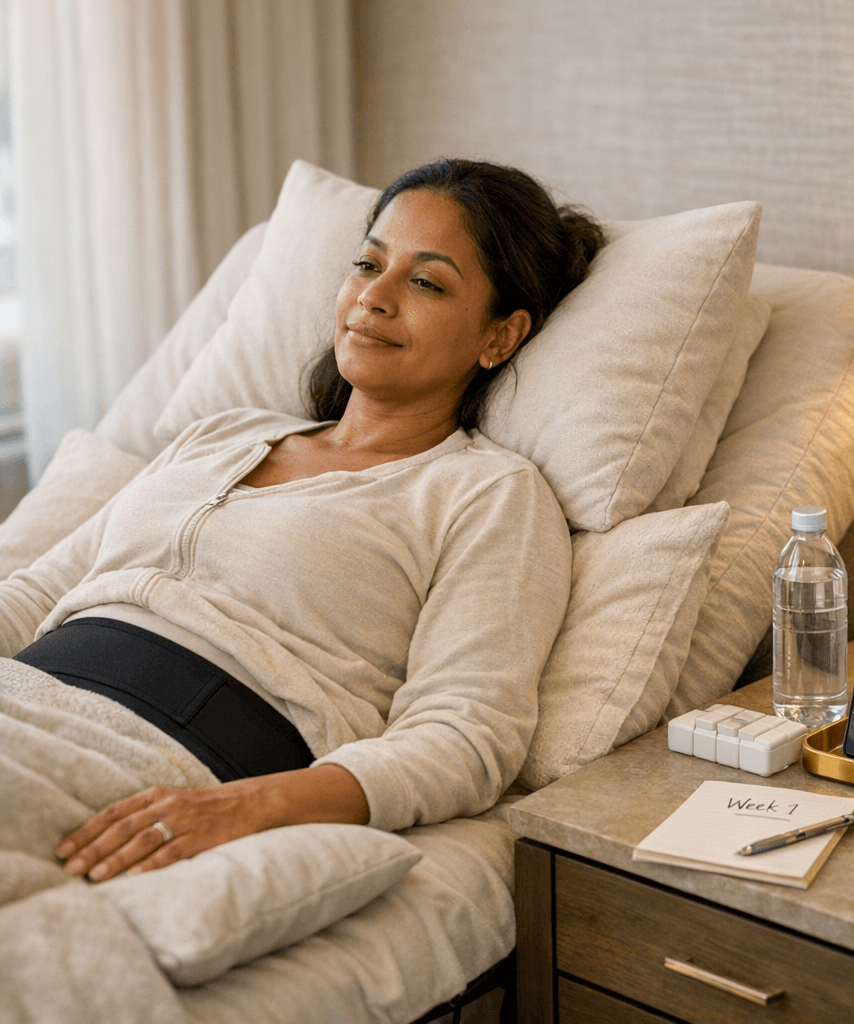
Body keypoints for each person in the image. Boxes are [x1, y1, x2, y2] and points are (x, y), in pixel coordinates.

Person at [0, 158, 605, 885]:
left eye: (426, 281)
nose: (373, 297)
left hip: (163, 752)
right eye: (367, 264)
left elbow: (464, 736)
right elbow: (37, 595)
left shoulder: (486, 494)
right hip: (27, 698)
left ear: (500, 338)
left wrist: (246, 808)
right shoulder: (220, 433)